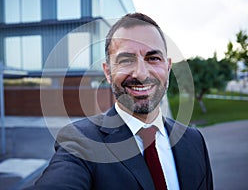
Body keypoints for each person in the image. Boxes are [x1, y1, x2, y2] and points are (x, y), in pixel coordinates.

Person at [27, 13, 213, 190]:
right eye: (126, 60)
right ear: (108, 72)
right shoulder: (80, 142)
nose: (141, 74)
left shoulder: (194, 140)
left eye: (153, 58)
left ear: (168, 66)